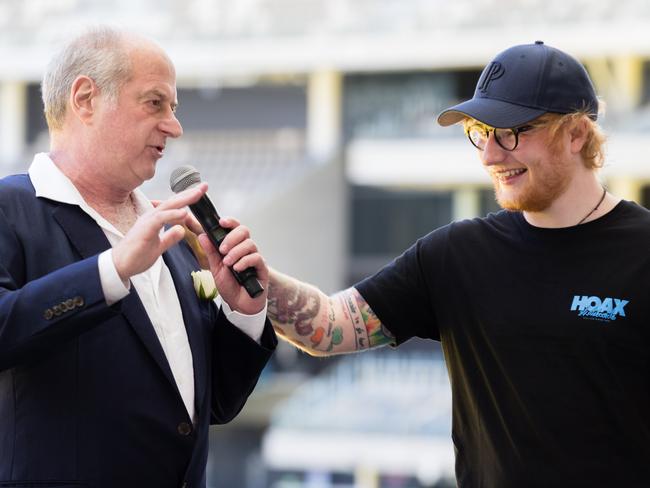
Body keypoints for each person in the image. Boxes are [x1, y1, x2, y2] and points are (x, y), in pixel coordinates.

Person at [267, 41, 650, 487]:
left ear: (575, 134)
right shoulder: (456, 254)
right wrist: (252, 283)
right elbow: (330, 326)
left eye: (511, 132)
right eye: (481, 133)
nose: (490, 155)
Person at [0, 27, 276, 488]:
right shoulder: (11, 208)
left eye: (174, 108)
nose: (174, 125)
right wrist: (112, 270)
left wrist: (244, 314)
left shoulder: (170, 229)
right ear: (85, 99)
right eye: (155, 103)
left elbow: (214, 407)